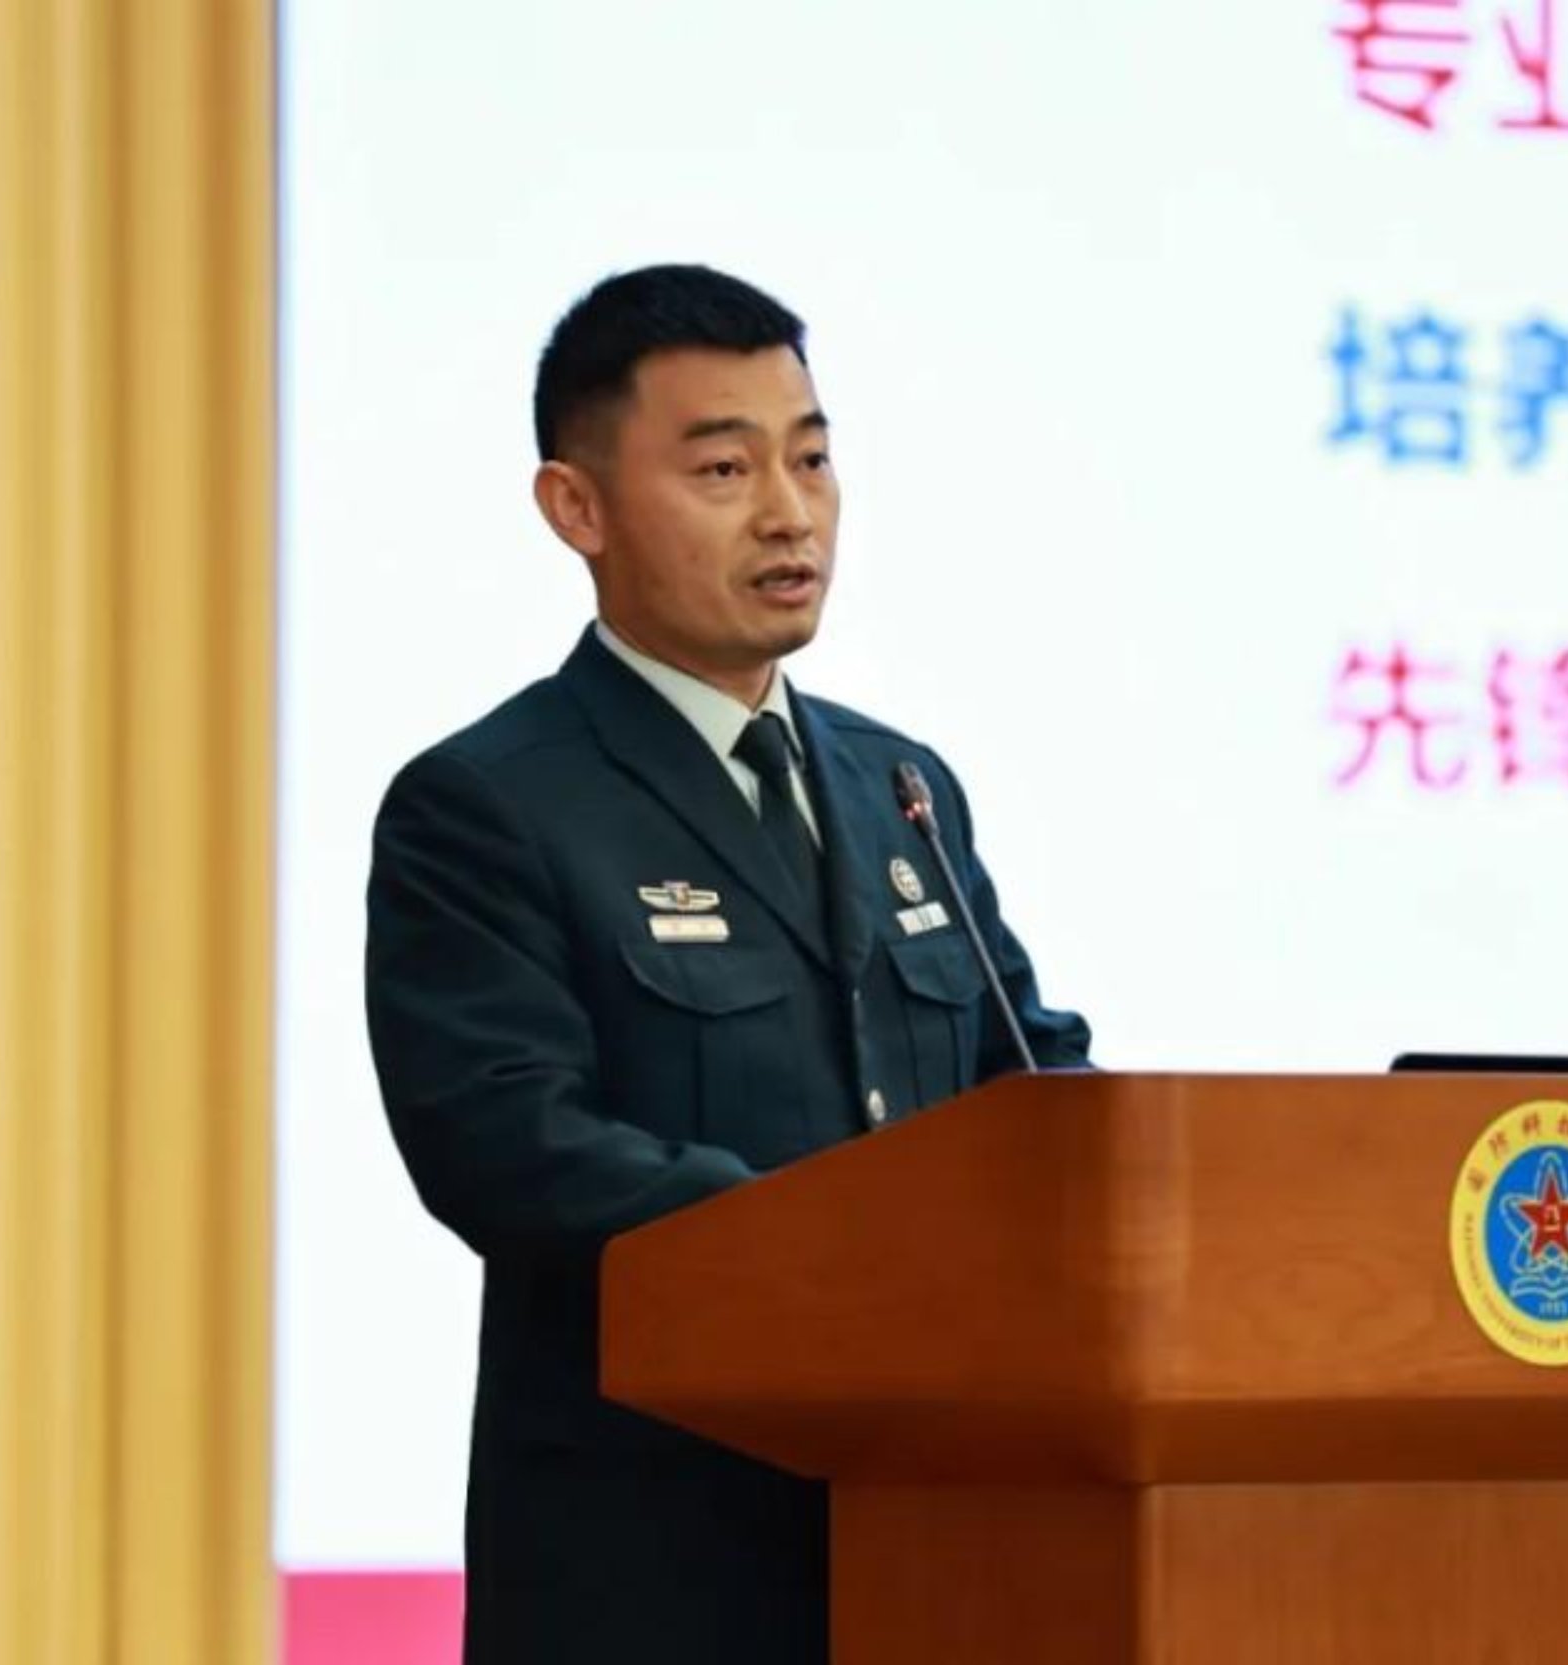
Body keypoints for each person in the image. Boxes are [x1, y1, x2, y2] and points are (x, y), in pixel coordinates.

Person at [363, 263, 1092, 1665]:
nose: (789, 512)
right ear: (576, 508)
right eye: (723, 468)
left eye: (811, 459)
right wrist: (849, 1259)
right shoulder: (491, 803)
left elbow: (1026, 1079)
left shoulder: (900, 786)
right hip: (655, 1564)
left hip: (937, 1544)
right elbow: (508, 1148)